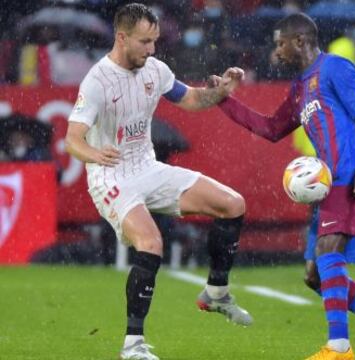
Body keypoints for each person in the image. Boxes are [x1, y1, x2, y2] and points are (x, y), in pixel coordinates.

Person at [213, 13, 355, 360]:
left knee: (328, 251)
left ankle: (339, 347)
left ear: (300, 41)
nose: (276, 51)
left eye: (280, 43)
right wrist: (223, 100)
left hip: (352, 175)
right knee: (315, 276)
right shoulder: (299, 88)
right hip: (330, 185)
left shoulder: (335, 68)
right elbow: (270, 128)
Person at [64, 4, 251, 360]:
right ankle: (132, 345)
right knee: (151, 242)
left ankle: (215, 293)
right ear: (122, 38)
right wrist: (94, 154)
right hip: (111, 176)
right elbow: (72, 139)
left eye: (155, 41)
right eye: (144, 42)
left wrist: (222, 90)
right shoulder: (98, 81)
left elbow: (193, 99)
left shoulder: (155, 70)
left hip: (148, 167)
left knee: (233, 204)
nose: (151, 49)